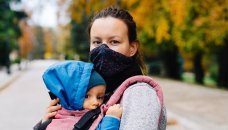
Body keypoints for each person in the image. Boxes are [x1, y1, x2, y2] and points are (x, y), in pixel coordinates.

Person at [35, 6, 166, 130]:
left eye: (114, 42)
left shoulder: (140, 93)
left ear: (132, 48)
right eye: (97, 42)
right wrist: (52, 123)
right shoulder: (98, 90)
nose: (103, 49)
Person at [38, 61, 122, 130]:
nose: (96, 102)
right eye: (86, 96)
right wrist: (111, 119)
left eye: (100, 97)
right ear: (69, 97)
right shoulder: (61, 124)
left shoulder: (93, 114)